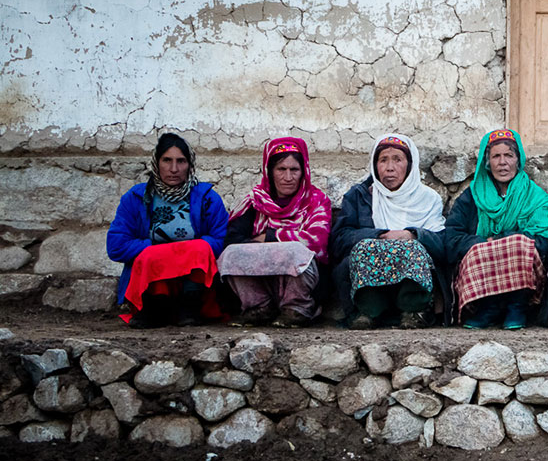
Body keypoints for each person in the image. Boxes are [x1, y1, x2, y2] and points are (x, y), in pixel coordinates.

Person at [106, 132, 228, 327]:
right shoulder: (136, 198)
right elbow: (116, 246)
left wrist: (184, 251)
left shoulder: (207, 198)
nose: (173, 169)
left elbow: (221, 240)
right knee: (151, 255)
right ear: (156, 162)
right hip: (152, 286)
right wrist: (155, 249)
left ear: (190, 164)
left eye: (181, 161)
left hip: (193, 287)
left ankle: (188, 309)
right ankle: (155, 310)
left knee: (201, 249)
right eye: (167, 160)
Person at [329, 134, 447, 328]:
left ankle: (413, 311)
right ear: (375, 165)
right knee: (366, 248)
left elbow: (442, 243)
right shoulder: (360, 195)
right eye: (383, 160)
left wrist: (413, 235)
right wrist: (379, 236)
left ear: (409, 164)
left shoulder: (428, 199)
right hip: (368, 282)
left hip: (413, 280)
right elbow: (340, 239)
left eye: (397, 160)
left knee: (413, 248)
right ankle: (368, 311)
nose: (390, 168)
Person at [442, 128, 548, 330]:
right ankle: (489, 308)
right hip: (481, 279)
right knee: (480, 249)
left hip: (522, 279)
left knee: (519, 244)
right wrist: (484, 244)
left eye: (509, 156)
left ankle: (515, 307)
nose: (503, 162)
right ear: (487, 162)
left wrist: (502, 240)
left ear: (518, 161)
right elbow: (452, 237)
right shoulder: (471, 197)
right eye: (496, 156)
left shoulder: (535, 196)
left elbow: (543, 239)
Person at [219, 137, 332, 327]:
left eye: (294, 170)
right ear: (269, 171)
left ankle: (296, 309)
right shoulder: (254, 202)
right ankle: (259, 307)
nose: (288, 177)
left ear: (303, 171)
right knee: (230, 254)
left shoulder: (316, 201)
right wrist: (276, 247)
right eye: (281, 169)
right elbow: (233, 240)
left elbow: (316, 242)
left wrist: (269, 237)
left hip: (302, 282)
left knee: (297, 252)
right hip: (263, 281)